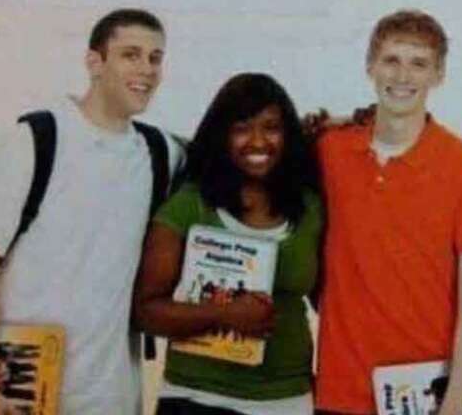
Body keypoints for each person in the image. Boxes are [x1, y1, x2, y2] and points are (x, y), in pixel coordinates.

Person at [0, 8, 181, 415]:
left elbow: (236, 148)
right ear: (94, 62)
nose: (146, 69)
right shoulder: (33, 141)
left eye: (155, 58)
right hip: (18, 389)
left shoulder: (159, 152)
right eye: (130, 54)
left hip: (111, 396)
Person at [314, 9, 462, 415]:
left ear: (438, 75)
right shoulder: (330, 151)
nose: (402, 77)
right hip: (340, 391)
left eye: (418, 64)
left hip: (426, 395)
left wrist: (456, 398)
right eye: (391, 60)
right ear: (370, 66)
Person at [134, 73, 323, 415]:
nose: (258, 141)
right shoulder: (190, 205)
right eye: (241, 128)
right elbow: (147, 312)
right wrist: (225, 313)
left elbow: (330, 299)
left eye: (271, 127)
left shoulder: (309, 206)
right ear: (221, 135)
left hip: (287, 399)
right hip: (197, 398)